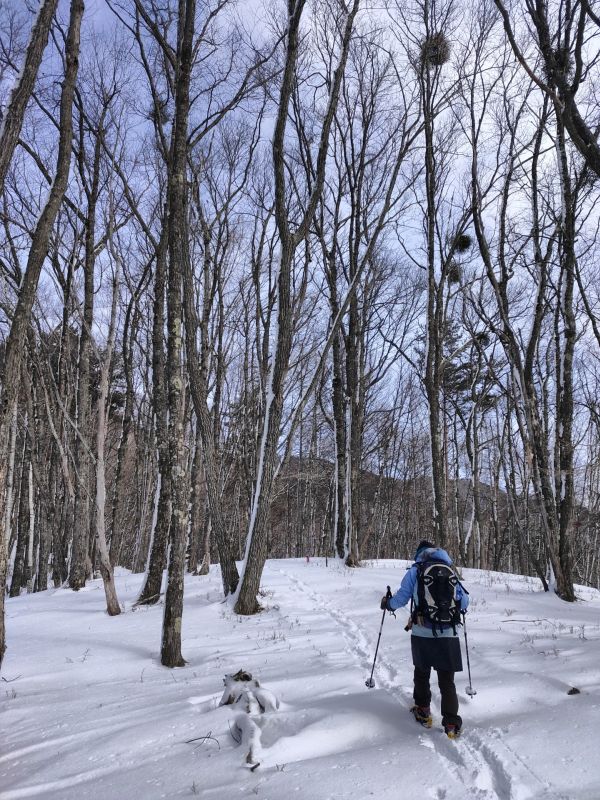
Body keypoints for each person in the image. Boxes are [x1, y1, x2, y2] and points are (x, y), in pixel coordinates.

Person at [380, 539, 469, 739]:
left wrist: (388, 604)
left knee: (422, 673)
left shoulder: (416, 571)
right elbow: (464, 601)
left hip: (422, 631)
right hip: (448, 633)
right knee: (447, 680)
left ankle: (423, 710)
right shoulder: (449, 570)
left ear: (419, 553)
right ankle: (452, 723)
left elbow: (402, 598)